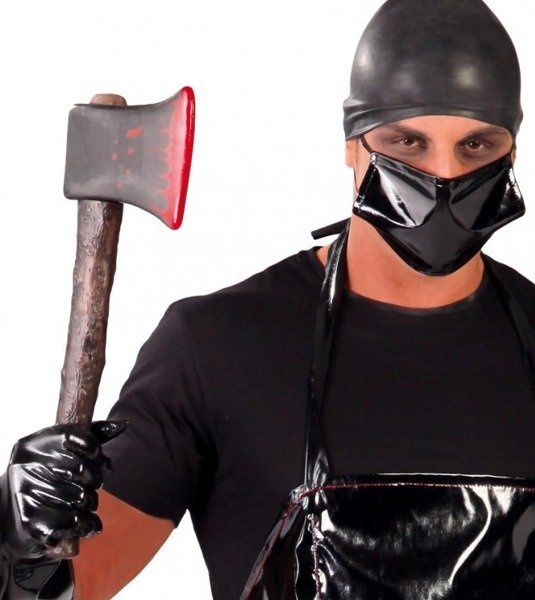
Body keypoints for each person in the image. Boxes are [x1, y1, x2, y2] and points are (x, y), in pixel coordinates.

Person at [2, 0, 535, 598]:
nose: (442, 175)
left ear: (511, 153)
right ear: (353, 144)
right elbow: (72, 585)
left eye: (476, 146)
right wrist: (21, 545)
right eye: (407, 141)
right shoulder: (217, 347)